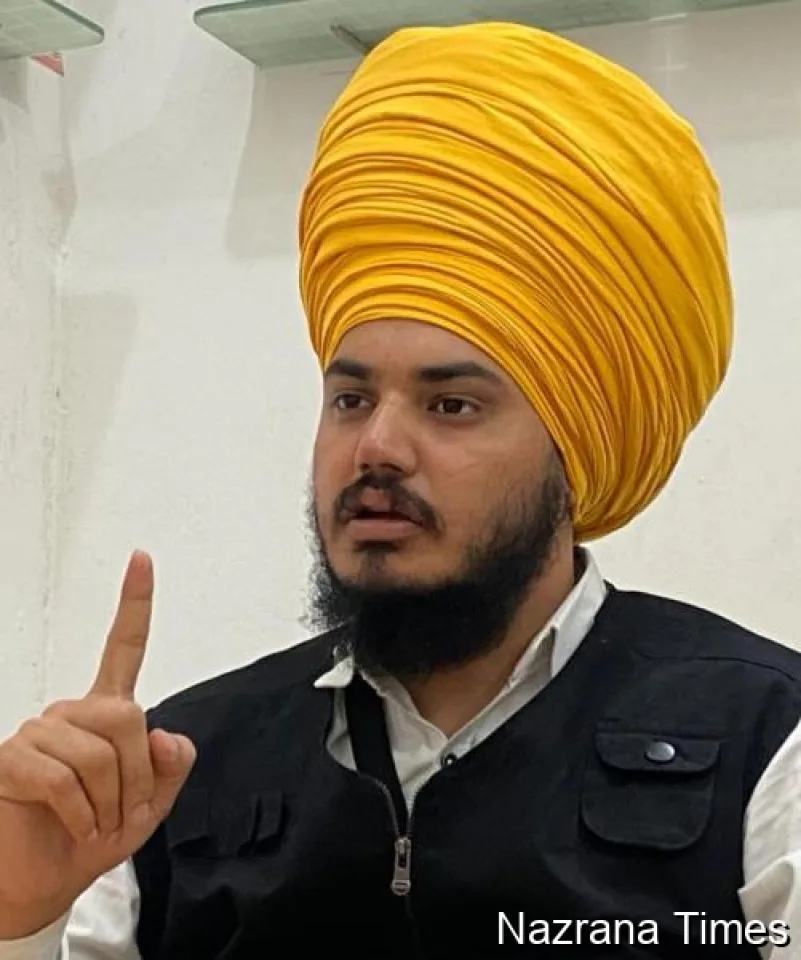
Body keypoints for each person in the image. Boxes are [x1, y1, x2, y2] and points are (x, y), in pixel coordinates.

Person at [0, 19, 799, 960]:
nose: (375, 447)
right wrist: (14, 912)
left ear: (572, 447)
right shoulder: (173, 773)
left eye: (450, 405)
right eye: (350, 399)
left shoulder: (763, 741)